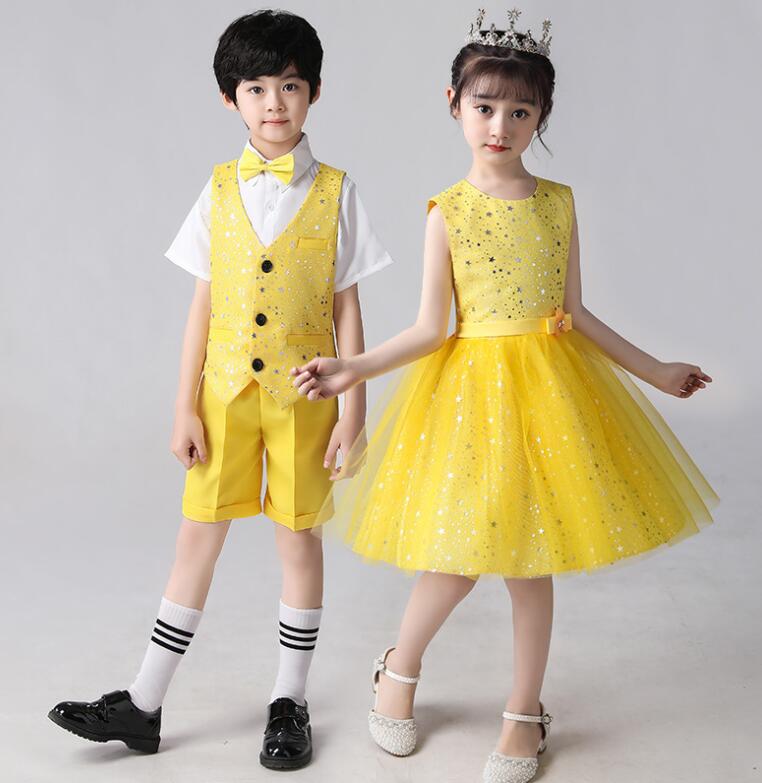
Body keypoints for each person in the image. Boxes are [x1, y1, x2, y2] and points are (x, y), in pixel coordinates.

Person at [289, 9, 719, 782]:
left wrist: (655, 370)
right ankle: (398, 667)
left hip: (551, 394)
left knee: (531, 559)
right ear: (453, 103)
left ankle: (525, 710)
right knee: (456, 558)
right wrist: (354, 368)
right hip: (470, 400)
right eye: (485, 107)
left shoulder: (558, 202)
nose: (501, 125)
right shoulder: (448, 211)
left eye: (521, 111)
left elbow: (576, 311)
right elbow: (431, 328)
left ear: (542, 116)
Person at [47, 9, 392, 772]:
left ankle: (289, 701)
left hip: (306, 395)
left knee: (297, 538)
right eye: (256, 88)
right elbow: (202, 304)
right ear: (229, 98)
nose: (274, 103)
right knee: (197, 535)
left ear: (315, 92)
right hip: (224, 393)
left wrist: (355, 408)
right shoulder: (216, 189)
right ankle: (143, 701)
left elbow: (348, 307)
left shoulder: (338, 192)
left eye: (290, 86)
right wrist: (183, 405)